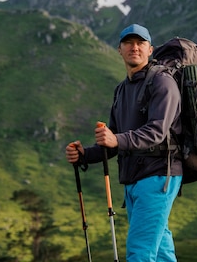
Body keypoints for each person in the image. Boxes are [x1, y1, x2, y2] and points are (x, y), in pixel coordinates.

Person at [66, 23, 183, 262]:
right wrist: (84, 155)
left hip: (158, 174)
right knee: (160, 251)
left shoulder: (162, 82)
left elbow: (157, 131)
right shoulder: (121, 90)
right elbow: (113, 142)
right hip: (133, 179)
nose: (135, 48)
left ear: (150, 49)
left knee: (139, 252)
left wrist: (115, 139)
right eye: (129, 43)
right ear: (119, 49)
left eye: (140, 43)